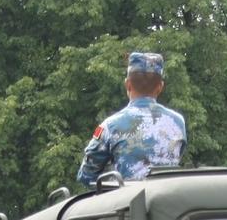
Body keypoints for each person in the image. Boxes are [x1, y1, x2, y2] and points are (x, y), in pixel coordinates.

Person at [76, 51, 186, 186]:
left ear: (128, 84)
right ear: (160, 87)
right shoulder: (178, 122)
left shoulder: (110, 126)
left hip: (126, 204)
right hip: (167, 202)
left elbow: (87, 176)